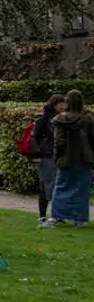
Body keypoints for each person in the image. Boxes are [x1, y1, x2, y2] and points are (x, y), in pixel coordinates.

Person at [49, 88, 94, 227]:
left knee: (62, 186)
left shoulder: (60, 120)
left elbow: (59, 141)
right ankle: (79, 218)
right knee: (81, 189)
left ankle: (57, 216)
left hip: (67, 157)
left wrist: (57, 156)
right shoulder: (89, 119)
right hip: (85, 158)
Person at [33, 93, 66, 224]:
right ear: (54, 104)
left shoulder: (62, 118)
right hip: (46, 155)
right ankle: (43, 215)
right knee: (46, 185)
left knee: (57, 186)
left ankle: (56, 215)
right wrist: (37, 155)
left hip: (57, 155)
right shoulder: (43, 119)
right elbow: (35, 138)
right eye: (61, 104)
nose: (63, 106)